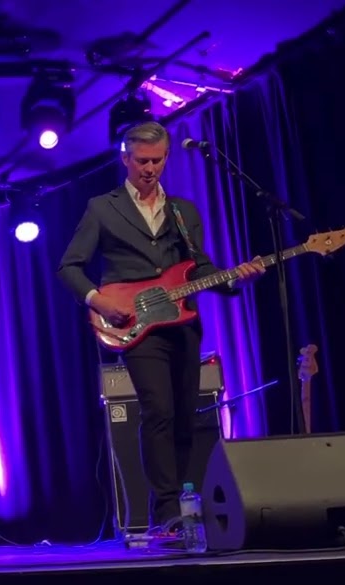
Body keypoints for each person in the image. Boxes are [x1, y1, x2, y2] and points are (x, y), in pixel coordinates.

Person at [57, 121, 265, 530]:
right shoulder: (103, 207)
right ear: (125, 159)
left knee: (188, 413)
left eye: (157, 160)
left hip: (183, 321)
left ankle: (190, 499)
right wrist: (99, 301)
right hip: (134, 324)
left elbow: (199, 268)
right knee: (158, 410)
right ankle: (166, 511)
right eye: (142, 161)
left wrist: (237, 278)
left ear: (167, 157)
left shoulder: (182, 211)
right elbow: (70, 266)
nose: (150, 168)